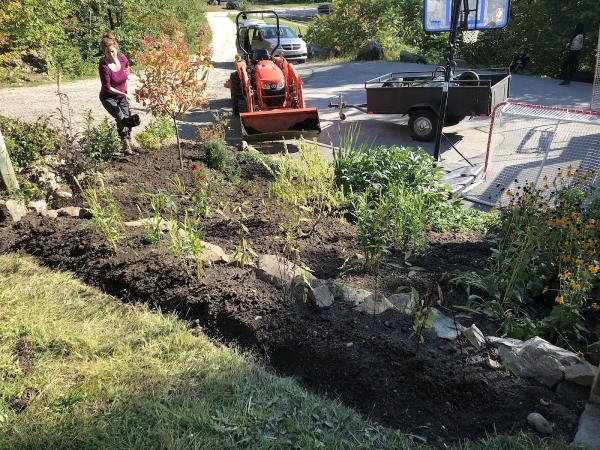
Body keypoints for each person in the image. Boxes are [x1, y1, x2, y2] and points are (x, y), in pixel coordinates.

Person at [98, 32, 135, 154]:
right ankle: (125, 144)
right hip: (108, 97)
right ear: (104, 51)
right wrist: (124, 94)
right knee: (120, 117)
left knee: (129, 120)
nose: (111, 54)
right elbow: (107, 86)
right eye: (108, 52)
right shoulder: (103, 65)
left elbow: (126, 76)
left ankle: (128, 142)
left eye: (112, 51)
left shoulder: (123, 58)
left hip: (122, 96)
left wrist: (127, 92)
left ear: (116, 49)